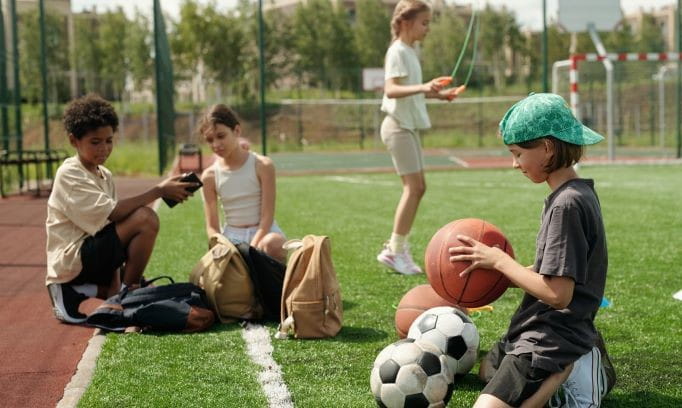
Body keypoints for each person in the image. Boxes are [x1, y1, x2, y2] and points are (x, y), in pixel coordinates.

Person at [449, 93, 616, 407]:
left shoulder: (567, 205)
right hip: (539, 322)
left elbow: (558, 294)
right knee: (487, 371)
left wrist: (500, 261)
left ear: (548, 148)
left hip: (554, 333)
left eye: (517, 153)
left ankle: (569, 367)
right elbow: (553, 275)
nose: (514, 164)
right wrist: (494, 273)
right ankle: (575, 356)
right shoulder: (572, 193)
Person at [46, 94, 198, 324]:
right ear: (73, 141)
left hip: (92, 257)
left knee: (140, 219)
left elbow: (112, 227)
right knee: (145, 218)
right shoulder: (70, 172)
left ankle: (121, 290)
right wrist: (159, 191)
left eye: (109, 140)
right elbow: (113, 214)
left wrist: (116, 284)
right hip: (71, 262)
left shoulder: (103, 174)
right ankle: (128, 293)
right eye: (95, 142)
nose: (104, 148)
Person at [376, 0, 461, 275]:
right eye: (424, 22)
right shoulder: (398, 51)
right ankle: (394, 250)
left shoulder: (410, 52)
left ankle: (396, 247)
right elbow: (391, 90)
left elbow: (412, 90)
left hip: (406, 127)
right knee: (414, 188)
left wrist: (439, 94)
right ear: (405, 23)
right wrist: (425, 85)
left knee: (417, 187)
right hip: (397, 126)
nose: (428, 28)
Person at [198, 104, 286, 262]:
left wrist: (252, 247)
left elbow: (267, 217)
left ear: (237, 131)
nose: (216, 144)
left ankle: (276, 285)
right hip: (232, 237)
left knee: (274, 244)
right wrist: (221, 245)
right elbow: (212, 226)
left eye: (221, 136)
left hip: (263, 232)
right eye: (210, 140)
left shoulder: (262, 165)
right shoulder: (209, 176)